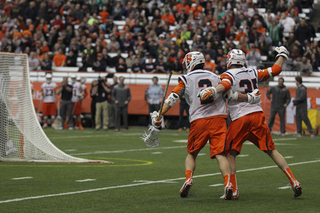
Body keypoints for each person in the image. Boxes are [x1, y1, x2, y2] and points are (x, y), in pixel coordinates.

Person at [198, 47, 302, 199]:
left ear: (231, 60)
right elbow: (275, 69)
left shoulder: (228, 74)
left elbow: (226, 85)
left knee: (229, 154)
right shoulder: (253, 72)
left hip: (240, 117)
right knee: (271, 150)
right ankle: (294, 181)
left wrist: (214, 90)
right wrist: (282, 55)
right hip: (257, 115)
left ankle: (234, 190)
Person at [150, 51, 244, 199]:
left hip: (199, 120)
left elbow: (173, 98)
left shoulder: (186, 78)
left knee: (192, 154)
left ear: (190, 63)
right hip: (218, 119)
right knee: (221, 155)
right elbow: (228, 93)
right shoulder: (216, 76)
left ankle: (188, 179)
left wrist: (160, 113)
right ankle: (227, 183)